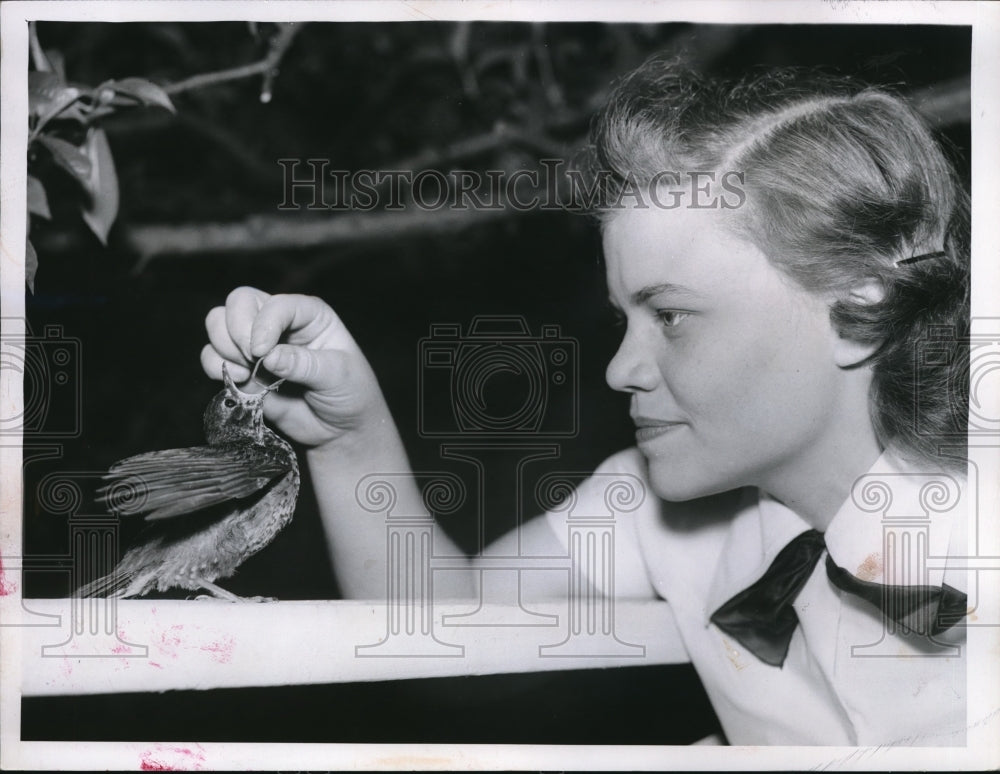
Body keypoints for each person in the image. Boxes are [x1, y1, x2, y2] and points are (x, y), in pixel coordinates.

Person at [201, 58, 971, 746]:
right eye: (621, 318)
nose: (620, 370)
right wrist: (350, 436)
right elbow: (436, 635)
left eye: (669, 316)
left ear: (854, 305)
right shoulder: (649, 502)